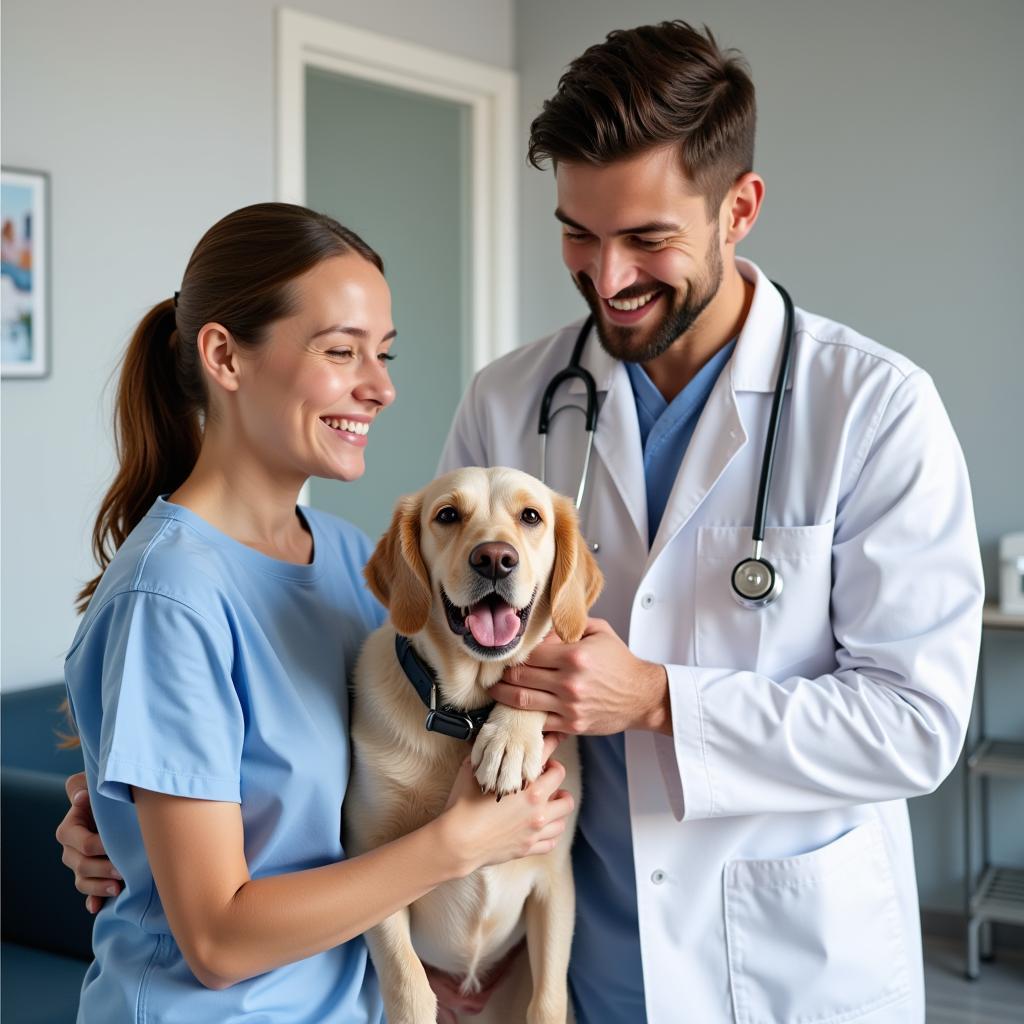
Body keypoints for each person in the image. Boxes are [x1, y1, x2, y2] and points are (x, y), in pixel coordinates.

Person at [60, 22, 985, 1023]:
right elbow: (397, 672)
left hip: (782, 959)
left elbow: (917, 726)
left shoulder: (873, 408)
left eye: (647, 238)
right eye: (578, 233)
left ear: (740, 210)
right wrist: (126, 815)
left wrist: (660, 699)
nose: (608, 277)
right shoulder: (512, 397)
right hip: (557, 966)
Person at [56, 202, 574, 1023]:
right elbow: (218, 942)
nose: (382, 387)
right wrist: (457, 846)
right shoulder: (170, 596)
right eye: (341, 352)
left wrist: (109, 821)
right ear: (224, 356)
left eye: (384, 354)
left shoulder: (342, 559)